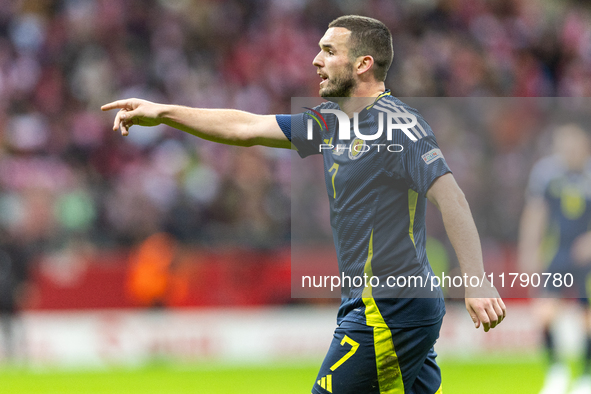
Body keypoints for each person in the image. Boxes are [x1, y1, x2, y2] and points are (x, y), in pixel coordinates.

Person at [103, 15, 506, 394]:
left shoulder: (399, 126)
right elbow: (246, 127)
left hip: (389, 308)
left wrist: (476, 279)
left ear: (364, 63)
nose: (316, 60)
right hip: (378, 303)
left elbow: (451, 196)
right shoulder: (330, 121)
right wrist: (163, 113)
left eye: (330, 51)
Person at [519, 124, 591, 394]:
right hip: (558, 252)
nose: (568, 152)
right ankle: (556, 372)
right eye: (563, 147)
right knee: (544, 312)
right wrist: (529, 249)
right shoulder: (547, 174)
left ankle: (586, 376)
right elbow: (535, 213)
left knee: (587, 316)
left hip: (587, 257)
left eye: (574, 146)